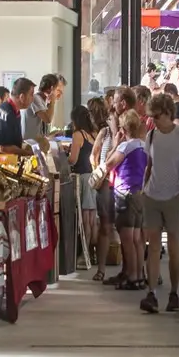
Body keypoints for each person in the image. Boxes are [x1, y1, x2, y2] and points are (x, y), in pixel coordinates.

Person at [140, 93, 179, 313]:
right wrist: (144, 189)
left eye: (157, 116)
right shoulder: (151, 135)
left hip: (173, 198)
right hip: (152, 196)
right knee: (153, 247)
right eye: (152, 116)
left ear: (168, 113)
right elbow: (149, 166)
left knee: (174, 248)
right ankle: (151, 293)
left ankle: (174, 293)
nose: (153, 120)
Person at [105, 109, 149, 290]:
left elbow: (108, 164)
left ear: (123, 129)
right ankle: (139, 276)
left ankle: (131, 276)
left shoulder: (125, 147)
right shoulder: (144, 146)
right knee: (137, 239)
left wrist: (115, 144)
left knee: (127, 239)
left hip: (124, 194)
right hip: (139, 194)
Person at [86, 97, 115, 282]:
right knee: (105, 226)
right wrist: (99, 171)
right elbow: (93, 155)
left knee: (125, 229)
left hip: (120, 185)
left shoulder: (125, 133)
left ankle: (131, 269)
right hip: (106, 185)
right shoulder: (105, 133)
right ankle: (102, 268)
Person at [68, 105, 98, 269]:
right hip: (93, 178)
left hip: (82, 178)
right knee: (92, 219)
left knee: (84, 219)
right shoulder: (93, 134)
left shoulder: (77, 135)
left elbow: (73, 159)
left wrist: (63, 157)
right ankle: (92, 254)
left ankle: (83, 255)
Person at [0, 78, 35, 156]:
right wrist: (28, 153)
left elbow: (12, 141)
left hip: (10, 158)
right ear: (22, 97)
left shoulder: (15, 111)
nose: (33, 98)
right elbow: (4, 148)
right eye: (31, 94)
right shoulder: (5, 113)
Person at [22, 73, 61, 141]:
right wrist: (52, 101)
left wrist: (54, 133)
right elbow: (48, 119)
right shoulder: (35, 99)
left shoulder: (42, 101)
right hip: (29, 143)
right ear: (51, 89)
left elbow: (43, 129)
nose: (59, 94)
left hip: (37, 141)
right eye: (57, 90)